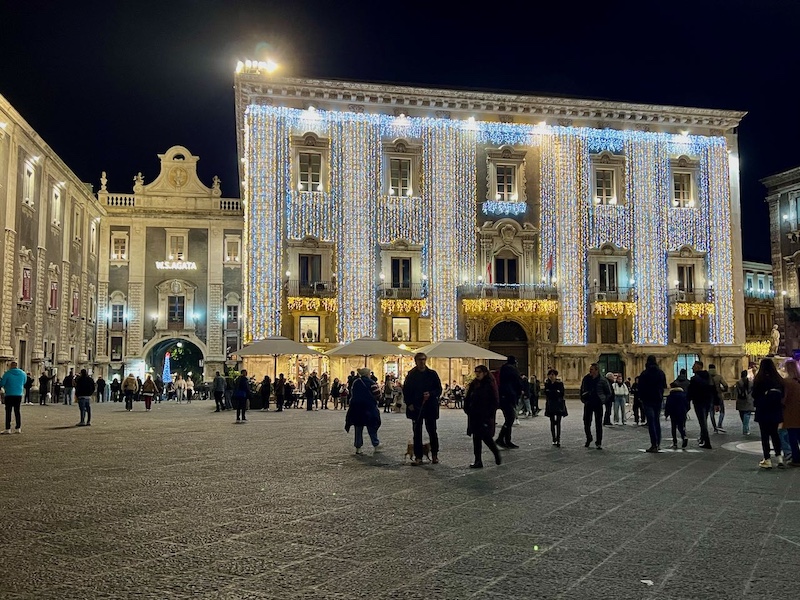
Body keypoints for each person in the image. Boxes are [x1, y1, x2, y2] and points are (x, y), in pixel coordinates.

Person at [403, 352, 443, 465]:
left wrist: (430, 394)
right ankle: (418, 457)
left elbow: (439, 389)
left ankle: (434, 455)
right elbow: (406, 390)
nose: (422, 362)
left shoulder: (432, 374)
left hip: (430, 406)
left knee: (432, 431)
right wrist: (409, 403)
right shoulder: (411, 375)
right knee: (417, 432)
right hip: (416, 407)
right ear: (416, 361)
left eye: (424, 359)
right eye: (420, 360)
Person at [464, 364, 501, 468]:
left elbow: (494, 401)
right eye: (476, 372)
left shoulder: (489, 384)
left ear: (484, 373)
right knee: (476, 438)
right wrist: (467, 408)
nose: (477, 374)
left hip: (484, 415)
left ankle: (496, 452)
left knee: (486, 437)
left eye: (479, 372)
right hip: (474, 415)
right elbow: (468, 397)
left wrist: (489, 414)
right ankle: (478, 461)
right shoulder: (474, 384)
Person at [752, 358, 785, 469]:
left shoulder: (759, 379)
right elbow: (783, 394)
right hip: (775, 410)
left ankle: (767, 459)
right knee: (775, 434)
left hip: (763, 410)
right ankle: (779, 458)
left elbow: (754, 394)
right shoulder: (778, 379)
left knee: (765, 436)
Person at [345, 367, 382, 454]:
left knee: (358, 427)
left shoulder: (356, 382)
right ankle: (375, 444)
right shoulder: (372, 383)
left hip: (357, 408)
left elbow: (352, 393)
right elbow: (377, 394)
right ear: (368, 374)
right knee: (372, 427)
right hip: (369, 408)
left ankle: (358, 447)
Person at [638, 355, 667, 452]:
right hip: (658, 399)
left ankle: (654, 444)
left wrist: (641, 398)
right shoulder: (661, 373)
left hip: (647, 399)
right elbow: (664, 385)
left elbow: (640, 387)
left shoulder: (644, 373)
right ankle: (658, 443)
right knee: (656, 421)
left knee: (651, 422)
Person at [580, 363, 611, 449]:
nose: (590, 371)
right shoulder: (586, 378)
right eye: (590, 369)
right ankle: (589, 437)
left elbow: (608, 392)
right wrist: (583, 399)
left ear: (596, 370)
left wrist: (603, 400)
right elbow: (582, 389)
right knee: (586, 422)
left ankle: (598, 442)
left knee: (598, 423)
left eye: (592, 369)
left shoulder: (603, 380)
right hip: (588, 402)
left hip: (598, 403)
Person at [497, 355, 523, 449]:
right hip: (509, 396)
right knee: (510, 418)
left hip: (503, 396)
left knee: (508, 419)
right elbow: (518, 382)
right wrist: (519, 392)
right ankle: (501, 439)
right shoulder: (513, 369)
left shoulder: (503, 369)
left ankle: (507, 441)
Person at [688, 361, 715, 449]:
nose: (692, 368)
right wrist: (715, 402)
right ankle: (703, 439)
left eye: (694, 366)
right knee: (704, 420)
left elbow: (691, 392)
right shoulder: (708, 377)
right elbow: (713, 389)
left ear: (698, 367)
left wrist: (687, 401)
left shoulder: (694, 379)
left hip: (698, 402)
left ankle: (707, 442)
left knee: (702, 422)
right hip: (707, 401)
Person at [0, 361, 27, 434]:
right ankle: (18, 428)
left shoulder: (7, 374)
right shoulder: (23, 373)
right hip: (19, 394)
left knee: (8, 412)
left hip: (9, 394)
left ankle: (8, 428)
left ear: (11, 366)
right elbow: (24, 382)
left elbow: (2, 383)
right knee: (17, 411)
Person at [782, 359, 800, 466]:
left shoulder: (787, 382)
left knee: (792, 437)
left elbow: (783, 398)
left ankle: (796, 458)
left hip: (791, 413)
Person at [544, 369, 567, 447]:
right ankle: (553, 438)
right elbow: (546, 393)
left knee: (558, 422)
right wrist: (555, 392)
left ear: (556, 376)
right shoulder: (547, 383)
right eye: (550, 374)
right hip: (550, 404)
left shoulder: (559, 383)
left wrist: (552, 392)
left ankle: (558, 438)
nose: (551, 376)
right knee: (552, 422)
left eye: (553, 374)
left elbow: (561, 393)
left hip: (558, 404)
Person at [664, 382, 689, 449]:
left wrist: (666, 414)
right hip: (682, 412)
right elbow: (687, 405)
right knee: (681, 426)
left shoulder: (671, 396)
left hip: (674, 413)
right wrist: (685, 410)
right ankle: (684, 436)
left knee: (674, 427)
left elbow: (668, 405)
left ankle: (675, 442)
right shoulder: (684, 395)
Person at [708, 364, 729, 433]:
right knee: (722, 411)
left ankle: (715, 428)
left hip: (710, 397)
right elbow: (725, 385)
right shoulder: (719, 377)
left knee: (711, 412)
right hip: (719, 395)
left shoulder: (707, 377)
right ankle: (719, 424)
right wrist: (722, 390)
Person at [733, 370, 754, 435]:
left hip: (740, 401)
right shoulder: (751, 383)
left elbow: (735, 392)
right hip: (748, 400)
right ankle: (746, 429)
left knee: (742, 415)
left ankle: (745, 428)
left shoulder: (738, 383)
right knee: (747, 415)